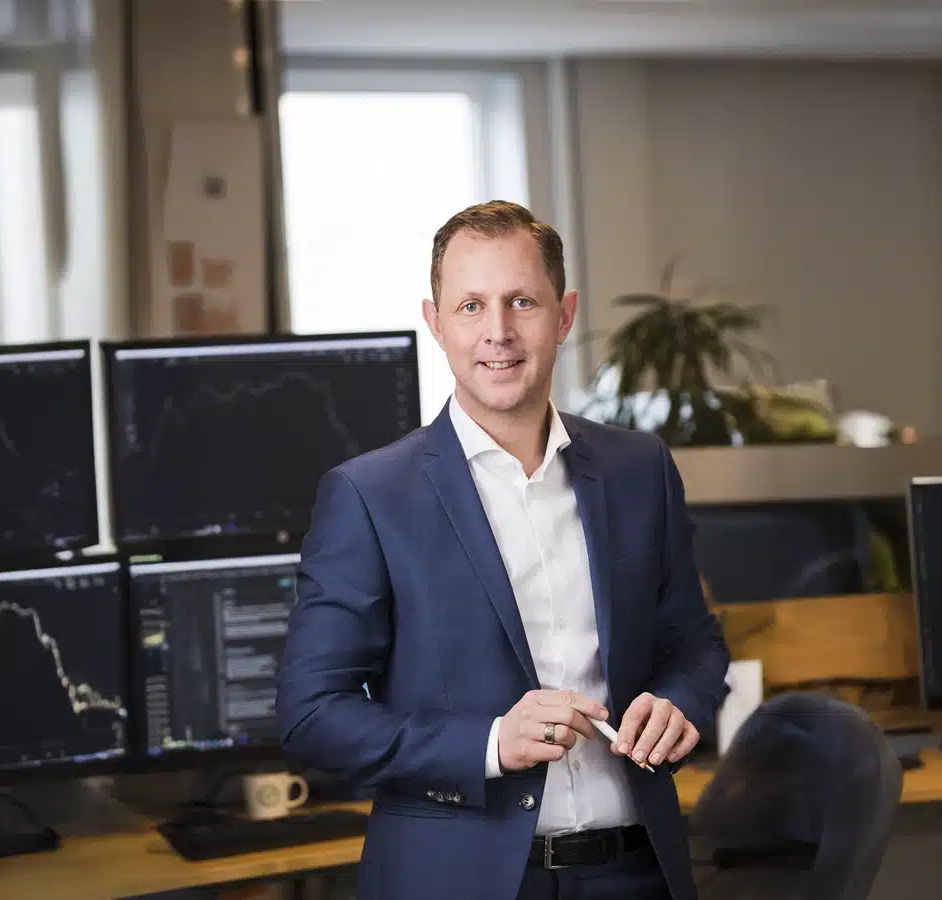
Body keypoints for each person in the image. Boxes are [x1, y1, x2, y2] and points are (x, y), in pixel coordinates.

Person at [277, 200, 730, 900]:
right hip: (460, 881)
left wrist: (679, 702)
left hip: (637, 874)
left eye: (522, 301)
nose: (498, 332)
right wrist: (488, 744)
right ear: (435, 322)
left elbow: (694, 645)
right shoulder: (369, 495)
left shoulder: (640, 469)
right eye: (471, 306)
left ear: (564, 315)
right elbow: (312, 713)